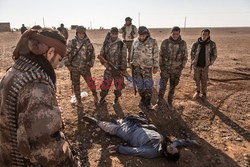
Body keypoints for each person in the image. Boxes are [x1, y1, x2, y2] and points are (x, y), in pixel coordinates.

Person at [0, 28, 80, 166]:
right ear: (50, 53)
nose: (57, 66)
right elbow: (47, 149)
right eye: (58, 60)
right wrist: (72, 161)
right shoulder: (36, 85)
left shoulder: (15, 71)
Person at [82, 114, 200, 160]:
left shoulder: (152, 152)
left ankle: (96, 122)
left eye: (170, 148)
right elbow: (179, 142)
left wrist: (118, 148)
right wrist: (191, 141)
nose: (171, 145)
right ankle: (118, 121)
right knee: (130, 119)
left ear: (164, 153)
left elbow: (134, 151)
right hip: (142, 127)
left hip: (130, 133)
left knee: (111, 128)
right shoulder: (169, 146)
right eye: (172, 146)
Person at [64, 26, 98, 112]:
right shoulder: (72, 42)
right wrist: (68, 65)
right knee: (76, 85)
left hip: (85, 68)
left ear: (85, 33)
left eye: (83, 33)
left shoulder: (88, 43)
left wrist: (90, 64)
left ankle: (95, 95)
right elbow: (66, 54)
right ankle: (79, 100)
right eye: (79, 33)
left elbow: (93, 55)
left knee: (90, 82)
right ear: (77, 33)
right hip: (74, 68)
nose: (81, 35)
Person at [155, 26, 188, 110]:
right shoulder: (165, 42)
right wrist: (162, 67)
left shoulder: (183, 43)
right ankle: (159, 103)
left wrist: (181, 67)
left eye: (177, 34)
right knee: (162, 86)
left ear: (179, 34)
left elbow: (185, 57)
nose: (175, 35)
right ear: (171, 33)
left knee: (172, 87)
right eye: (174, 34)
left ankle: (170, 103)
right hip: (165, 69)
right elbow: (160, 55)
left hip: (176, 70)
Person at [130, 26, 159, 110]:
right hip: (136, 67)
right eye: (140, 35)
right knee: (139, 84)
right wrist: (131, 62)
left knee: (148, 85)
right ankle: (142, 98)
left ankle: (148, 102)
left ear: (146, 34)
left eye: (143, 35)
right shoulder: (135, 41)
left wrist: (156, 66)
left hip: (147, 67)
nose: (142, 37)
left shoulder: (153, 42)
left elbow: (156, 54)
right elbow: (132, 52)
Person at [98, 27, 127, 105]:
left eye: (115, 34)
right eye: (112, 33)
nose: (114, 35)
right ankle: (102, 98)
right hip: (109, 69)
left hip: (118, 69)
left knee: (119, 86)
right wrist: (104, 63)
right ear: (110, 33)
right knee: (105, 85)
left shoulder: (121, 44)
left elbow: (124, 58)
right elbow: (101, 55)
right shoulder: (106, 43)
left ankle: (116, 98)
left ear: (117, 34)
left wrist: (123, 70)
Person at [190, 29, 217, 102]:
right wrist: (193, 61)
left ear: (208, 35)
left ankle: (204, 94)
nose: (204, 36)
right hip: (196, 65)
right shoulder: (195, 44)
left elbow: (214, 55)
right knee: (196, 79)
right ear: (201, 34)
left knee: (204, 80)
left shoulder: (212, 44)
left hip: (205, 66)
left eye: (206, 34)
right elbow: (191, 53)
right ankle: (197, 92)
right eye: (203, 34)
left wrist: (209, 63)